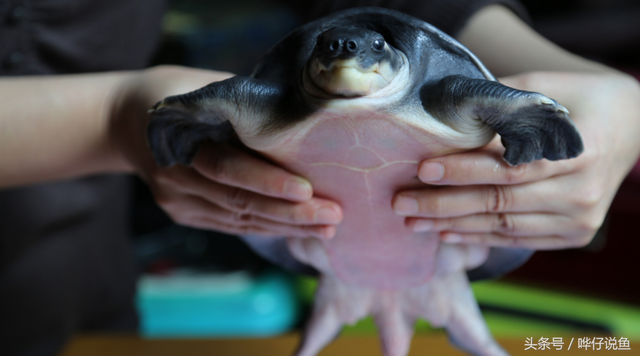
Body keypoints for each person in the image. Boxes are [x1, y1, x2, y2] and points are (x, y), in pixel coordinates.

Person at [1, 1, 639, 356]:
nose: (346, 67)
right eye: (333, 58)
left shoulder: (442, 94)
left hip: (76, 286)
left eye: (365, 59)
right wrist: (115, 121)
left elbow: (408, 15)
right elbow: (181, 116)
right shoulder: (262, 100)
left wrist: (602, 91)